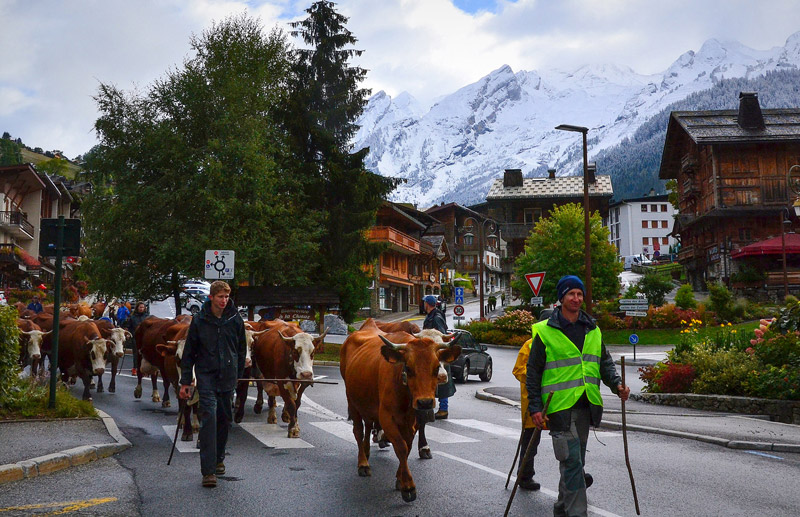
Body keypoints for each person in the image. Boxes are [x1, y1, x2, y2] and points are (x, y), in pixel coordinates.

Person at [526, 275, 630, 517]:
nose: (576, 298)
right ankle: (576, 513)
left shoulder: (592, 329)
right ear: (561, 298)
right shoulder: (544, 331)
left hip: (587, 406)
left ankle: (562, 507)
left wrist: (618, 386)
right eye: (571, 294)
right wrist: (535, 407)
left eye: (580, 294)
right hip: (558, 408)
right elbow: (533, 373)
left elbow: (605, 364)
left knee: (576, 462)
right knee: (572, 463)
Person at [179, 281, 246, 488]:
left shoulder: (235, 320)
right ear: (211, 297)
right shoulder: (200, 321)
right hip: (206, 376)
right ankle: (208, 471)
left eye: (227, 297)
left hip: (227, 378)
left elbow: (241, 350)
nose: (224, 301)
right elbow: (189, 353)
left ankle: (218, 459)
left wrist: (238, 375)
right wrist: (185, 382)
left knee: (225, 419)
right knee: (209, 418)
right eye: (220, 297)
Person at [511, 307, 553, 491]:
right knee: (530, 442)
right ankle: (525, 475)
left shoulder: (559, 344)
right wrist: (540, 376)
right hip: (533, 403)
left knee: (568, 440)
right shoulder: (529, 345)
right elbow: (519, 371)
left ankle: (578, 477)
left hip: (558, 400)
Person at [422, 294, 454, 419]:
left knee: (441, 380)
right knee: (432, 381)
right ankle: (434, 408)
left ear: (427, 304)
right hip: (432, 352)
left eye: (424, 303)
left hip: (437, 354)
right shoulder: (432, 315)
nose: (423, 305)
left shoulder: (436, 317)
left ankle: (443, 409)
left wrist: (439, 354)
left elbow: (440, 335)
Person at [126, 302, 149, 375]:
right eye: (140, 307)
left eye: (143, 307)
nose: (141, 309)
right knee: (136, 354)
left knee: (144, 354)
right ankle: (135, 368)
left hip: (144, 338)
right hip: (135, 337)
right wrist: (128, 334)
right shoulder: (133, 317)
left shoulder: (147, 317)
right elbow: (129, 326)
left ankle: (143, 369)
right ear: (137, 308)